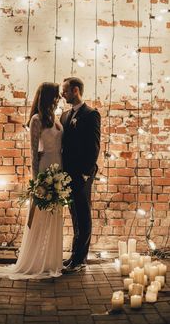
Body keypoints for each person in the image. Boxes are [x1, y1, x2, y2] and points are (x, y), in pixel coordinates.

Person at [0, 82, 63, 280]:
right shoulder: (36, 119)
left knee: (55, 215)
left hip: (59, 169)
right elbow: (33, 152)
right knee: (39, 216)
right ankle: (34, 261)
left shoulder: (55, 118)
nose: (59, 99)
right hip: (45, 168)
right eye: (56, 96)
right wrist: (35, 180)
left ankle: (51, 260)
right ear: (48, 96)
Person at [61, 77, 101, 273]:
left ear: (75, 90)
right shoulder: (64, 115)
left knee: (83, 215)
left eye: (65, 91)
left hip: (82, 174)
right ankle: (74, 256)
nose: (62, 94)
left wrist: (86, 173)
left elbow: (94, 146)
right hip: (67, 174)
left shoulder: (91, 114)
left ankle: (79, 259)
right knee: (74, 215)